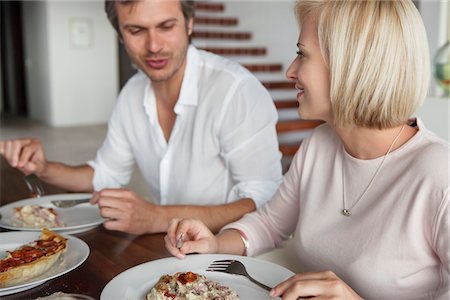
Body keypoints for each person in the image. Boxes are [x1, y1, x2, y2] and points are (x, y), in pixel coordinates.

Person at [165, 0, 450, 299]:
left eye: (302, 54)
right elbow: (270, 223)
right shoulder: (318, 145)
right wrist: (215, 244)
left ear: (350, 64)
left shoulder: (439, 175)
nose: (290, 70)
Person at [0, 0, 282, 235]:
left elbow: (265, 201)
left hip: (233, 255)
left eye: (166, 26)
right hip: (169, 250)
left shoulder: (236, 91)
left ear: (189, 23)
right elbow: (106, 173)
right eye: (136, 30)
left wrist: (157, 217)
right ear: (121, 35)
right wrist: (44, 167)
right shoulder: (132, 94)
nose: (154, 46)